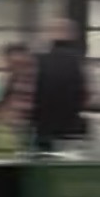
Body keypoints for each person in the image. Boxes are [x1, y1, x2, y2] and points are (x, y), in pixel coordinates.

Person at [33, 19, 89, 151]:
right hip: (72, 127)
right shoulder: (80, 62)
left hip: (42, 127)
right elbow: (87, 95)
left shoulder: (38, 60)